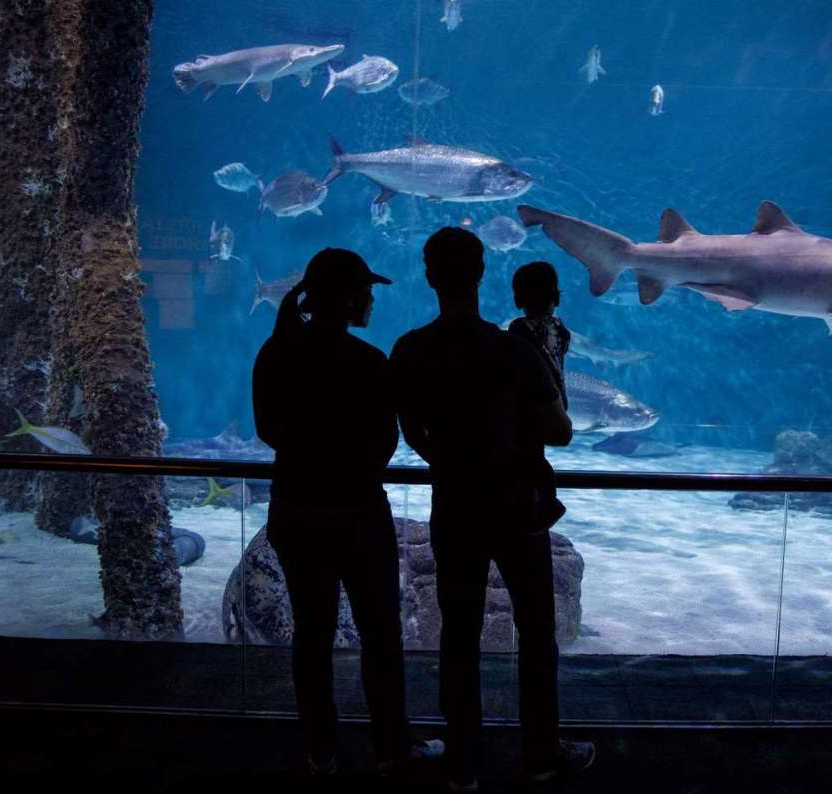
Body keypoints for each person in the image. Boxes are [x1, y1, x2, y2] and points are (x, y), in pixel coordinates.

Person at [390, 228, 595, 792]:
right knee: (536, 633)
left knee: (458, 634)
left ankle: (463, 764)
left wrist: (454, 463)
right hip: (516, 508)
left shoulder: (410, 351)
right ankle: (540, 755)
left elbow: (412, 432)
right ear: (483, 275)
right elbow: (561, 433)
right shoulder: (514, 350)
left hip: (455, 506)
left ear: (430, 276)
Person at [251, 247, 442, 778]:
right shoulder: (368, 363)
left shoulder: (275, 354)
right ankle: (390, 747)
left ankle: (320, 751)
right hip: (358, 514)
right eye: (368, 292)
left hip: (295, 509)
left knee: (311, 634)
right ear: (353, 298)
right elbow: (384, 444)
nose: (373, 302)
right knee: (380, 633)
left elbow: (268, 430)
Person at [507, 261, 571, 532]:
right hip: (555, 397)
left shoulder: (518, 329)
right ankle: (548, 503)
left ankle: (547, 505)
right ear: (557, 297)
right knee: (539, 462)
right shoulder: (560, 328)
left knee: (534, 460)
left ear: (517, 298)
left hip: (532, 406)